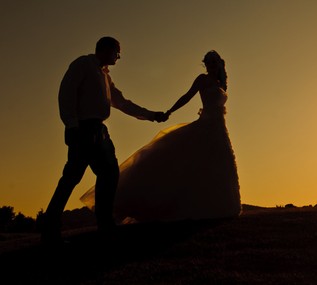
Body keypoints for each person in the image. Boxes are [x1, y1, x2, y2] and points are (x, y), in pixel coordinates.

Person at [80, 50, 241, 223]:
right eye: (208, 62)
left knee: (219, 163)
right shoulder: (202, 79)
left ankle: (221, 205)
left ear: (220, 64)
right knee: (191, 162)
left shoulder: (221, 83)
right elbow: (187, 96)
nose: (210, 66)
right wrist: (170, 111)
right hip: (206, 124)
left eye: (213, 62)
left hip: (218, 126)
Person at [42, 37, 167, 245]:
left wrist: (152, 115)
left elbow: (122, 102)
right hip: (82, 129)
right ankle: (50, 228)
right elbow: (66, 93)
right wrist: (72, 126)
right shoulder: (83, 64)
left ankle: (105, 223)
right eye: (116, 52)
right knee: (72, 177)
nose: (119, 56)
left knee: (109, 173)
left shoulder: (105, 76)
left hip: (100, 130)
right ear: (105, 49)